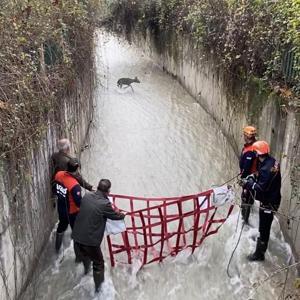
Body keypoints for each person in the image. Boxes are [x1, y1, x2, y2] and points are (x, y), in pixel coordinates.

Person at [72, 179, 125, 293]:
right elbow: (116, 216)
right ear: (108, 191)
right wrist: (122, 214)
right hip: (90, 242)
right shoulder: (105, 204)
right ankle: (98, 291)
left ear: (98, 187)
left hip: (76, 237)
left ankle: (85, 272)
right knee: (99, 264)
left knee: (85, 256)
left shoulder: (86, 196)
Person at [241, 140, 281, 261]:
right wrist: (254, 176)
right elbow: (265, 176)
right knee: (264, 225)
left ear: (258, 154)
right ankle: (260, 241)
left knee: (264, 228)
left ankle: (259, 255)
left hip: (268, 203)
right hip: (273, 199)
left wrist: (248, 183)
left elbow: (260, 188)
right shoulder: (273, 161)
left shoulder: (265, 169)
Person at [53, 159, 82, 255]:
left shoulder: (59, 174)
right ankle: (78, 257)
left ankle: (57, 249)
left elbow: (54, 188)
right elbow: (79, 203)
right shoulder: (74, 185)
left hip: (61, 207)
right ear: (77, 169)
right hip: (72, 212)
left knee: (61, 226)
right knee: (77, 233)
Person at [239, 126, 258, 224]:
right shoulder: (255, 145)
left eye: (244, 135)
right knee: (249, 198)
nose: (244, 137)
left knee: (246, 199)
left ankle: (244, 222)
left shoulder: (250, 151)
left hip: (249, 178)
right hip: (253, 177)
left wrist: (242, 178)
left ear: (246, 136)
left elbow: (246, 168)